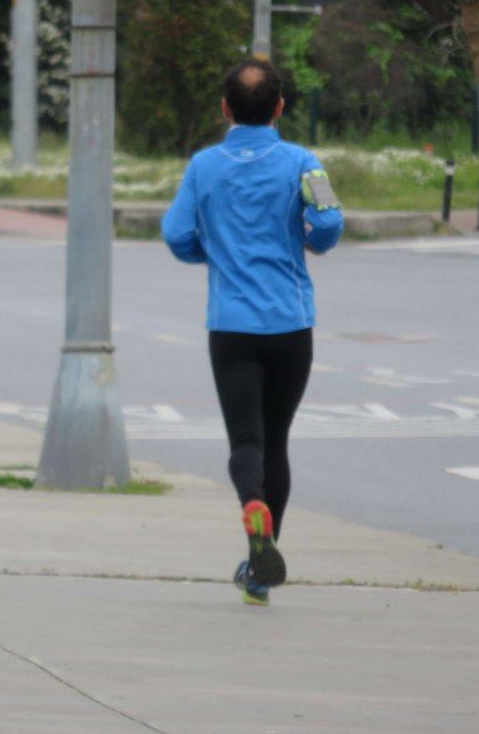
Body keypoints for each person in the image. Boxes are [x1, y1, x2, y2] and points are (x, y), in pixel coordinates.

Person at [160, 58, 344, 607]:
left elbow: (176, 234)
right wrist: (310, 241)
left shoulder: (203, 167)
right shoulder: (303, 162)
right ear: (280, 107)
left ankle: (250, 506)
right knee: (277, 442)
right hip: (290, 323)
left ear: (224, 109)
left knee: (246, 442)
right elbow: (329, 222)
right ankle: (261, 568)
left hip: (231, 326)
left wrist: (212, 253)